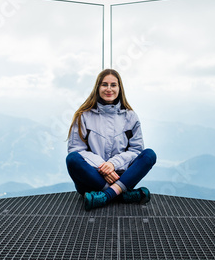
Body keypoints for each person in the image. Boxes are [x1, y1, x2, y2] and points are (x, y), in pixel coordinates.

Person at [66, 68, 157, 210]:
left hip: (120, 175)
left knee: (149, 155)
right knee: (72, 159)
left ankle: (106, 196)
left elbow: (136, 150)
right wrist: (104, 167)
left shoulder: (131, 116)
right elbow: (76, 149)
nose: (109, 89)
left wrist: (113, 164)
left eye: (113, 85)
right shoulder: (83, 116)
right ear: (98, 88)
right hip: (93, 177)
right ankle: (121, 193)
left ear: (120, 88)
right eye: (104, 84)